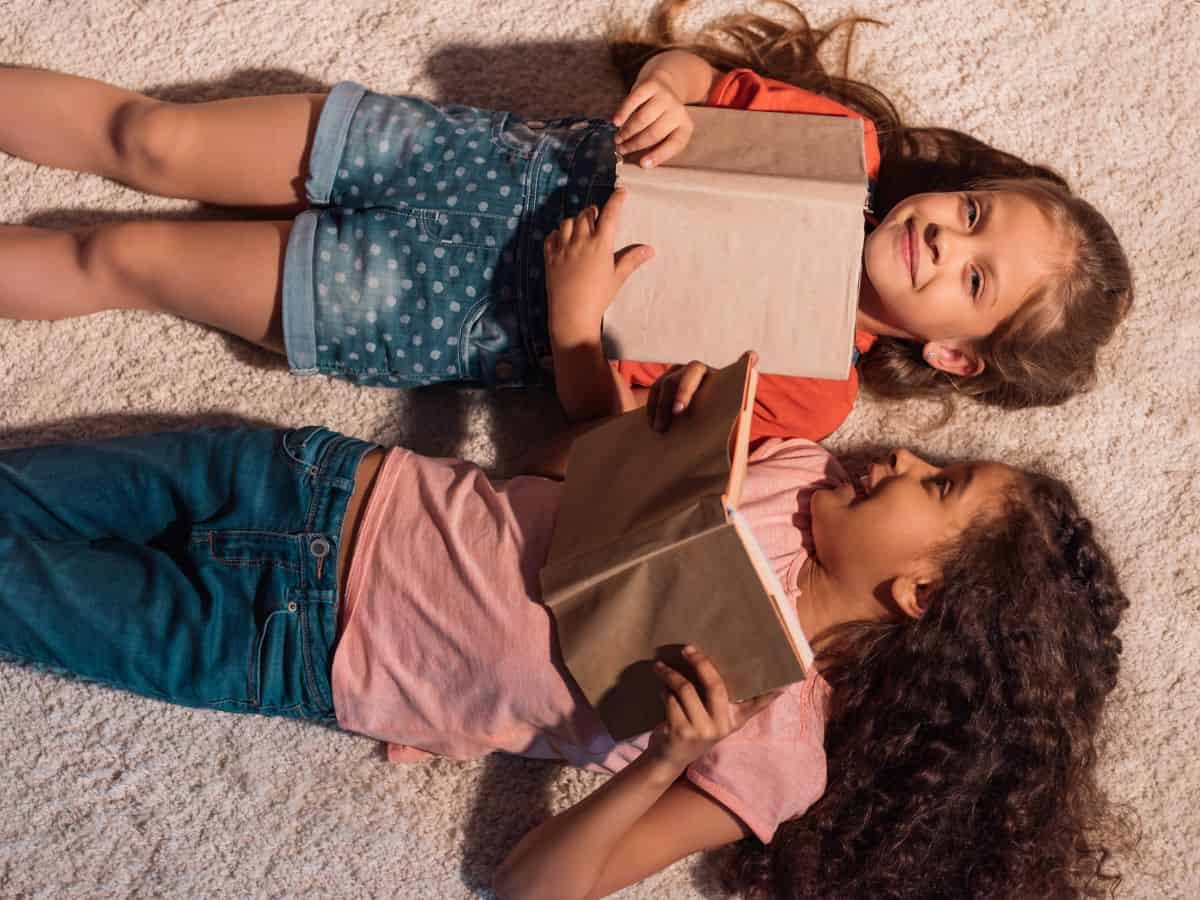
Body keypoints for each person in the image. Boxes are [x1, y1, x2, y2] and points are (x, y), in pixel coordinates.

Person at [0, 206, 1129, 899]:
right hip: (318, 483)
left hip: (285, 646)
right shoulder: (791, 468)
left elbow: (529, 886)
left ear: (921, 592)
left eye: (935, 484)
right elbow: (562, 472)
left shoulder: (775, 753)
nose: (892, 460)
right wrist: (612, 378)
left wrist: (657, 762)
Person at [0, 2, 1131, 442]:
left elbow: (615, 439)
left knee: (124, 256)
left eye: (977, 280)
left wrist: (581, 319)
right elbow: (693, 74)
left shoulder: (811, 391)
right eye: (974, 214)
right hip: (442, 155)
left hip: (421, 307)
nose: (947, 239)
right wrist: (672, 92)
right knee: (153, 139)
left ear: (951, 353)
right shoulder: (842, 156)